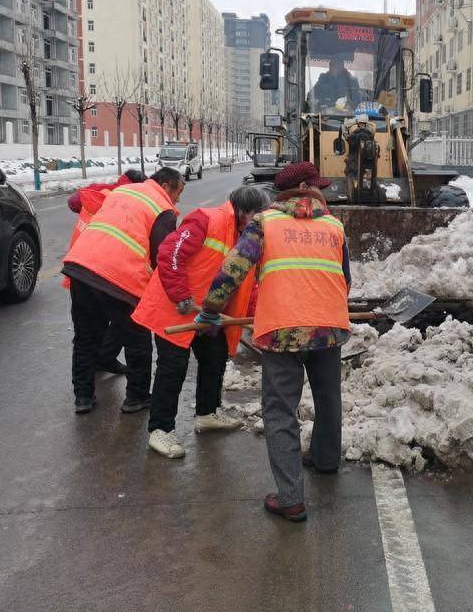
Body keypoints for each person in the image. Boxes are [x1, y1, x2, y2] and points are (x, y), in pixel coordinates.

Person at [195, 162, 351, 522]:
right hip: (329, 327)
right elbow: (345, 278)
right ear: (306, 189)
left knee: (281, 410)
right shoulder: (334, 226)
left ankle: (291, 498)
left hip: (282, 329)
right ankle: (326, 460)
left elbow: (233, 270)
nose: (323, 192)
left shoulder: (264, 223)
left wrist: (210, 309)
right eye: (319, 187)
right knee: (328, 396)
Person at [132, 186, 268, 458]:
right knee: (173, 367)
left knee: (215, 358)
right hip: (175, 307)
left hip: (210, 312)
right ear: (244, 211)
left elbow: (248, 284)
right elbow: (170, 253)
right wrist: (181, 297)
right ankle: (160, 430)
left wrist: (255, 317)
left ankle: (207, 414)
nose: (261, 221)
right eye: (258, 215)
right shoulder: (206, 219)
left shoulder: (247, 236)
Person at [62, 167, 185, 414]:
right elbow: (162, 256)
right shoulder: (163, 208)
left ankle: (83, 397)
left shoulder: (124, 190)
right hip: (120, 278)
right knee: (137, 338)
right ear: (167, 185)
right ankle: (136, 396)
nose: (178, 199)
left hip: (81, 267)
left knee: (86, 337)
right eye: (179, 192)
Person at [64, 168, 147, 376]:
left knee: (88, 329)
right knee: (120, 321)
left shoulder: (104, 193)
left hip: (79, 263)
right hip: (105, 268)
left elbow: (74, 201)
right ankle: (104, 358)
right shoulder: (121, 201)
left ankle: (88, 384)